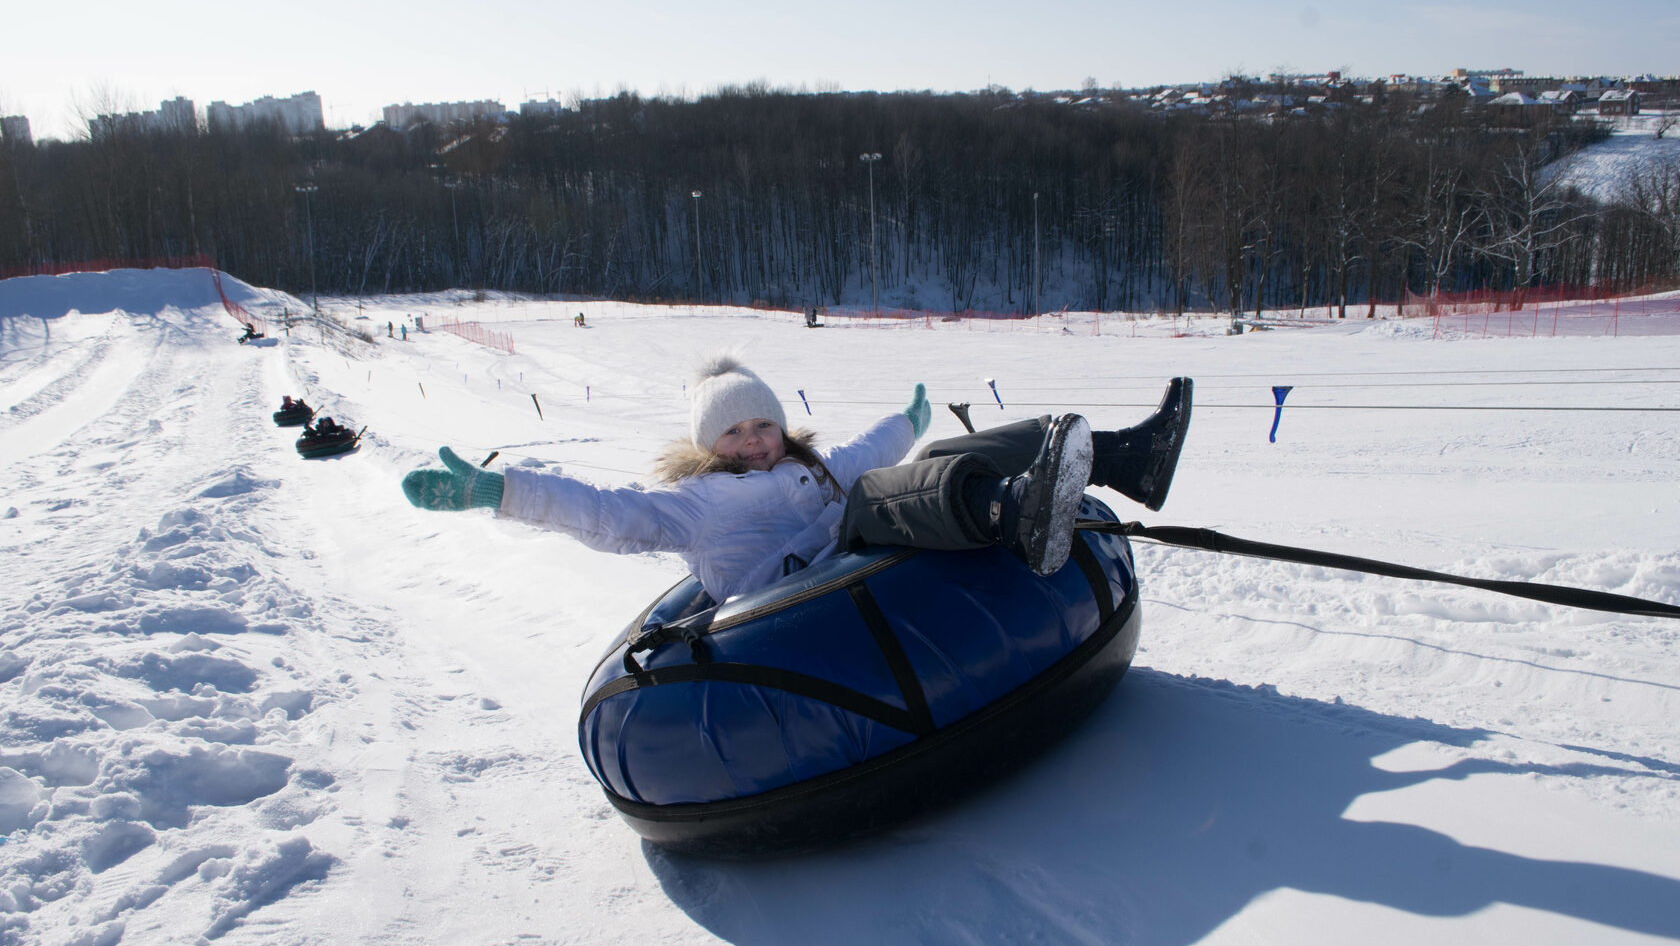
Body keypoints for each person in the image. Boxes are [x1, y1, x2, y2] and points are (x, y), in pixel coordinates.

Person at [401, 355, 1191, 604]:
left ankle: (1129, 457)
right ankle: (1020, 509)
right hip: (800, 598)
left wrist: (913, 422)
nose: (753, 440)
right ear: (711, 445)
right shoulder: (693, 506)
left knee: (947, 454)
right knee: (884, 498)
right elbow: (605, 512)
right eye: (733, 432)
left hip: (855, 556)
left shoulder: (808, 465)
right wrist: (502, 492)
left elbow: (865, 448)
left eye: (762, 424)